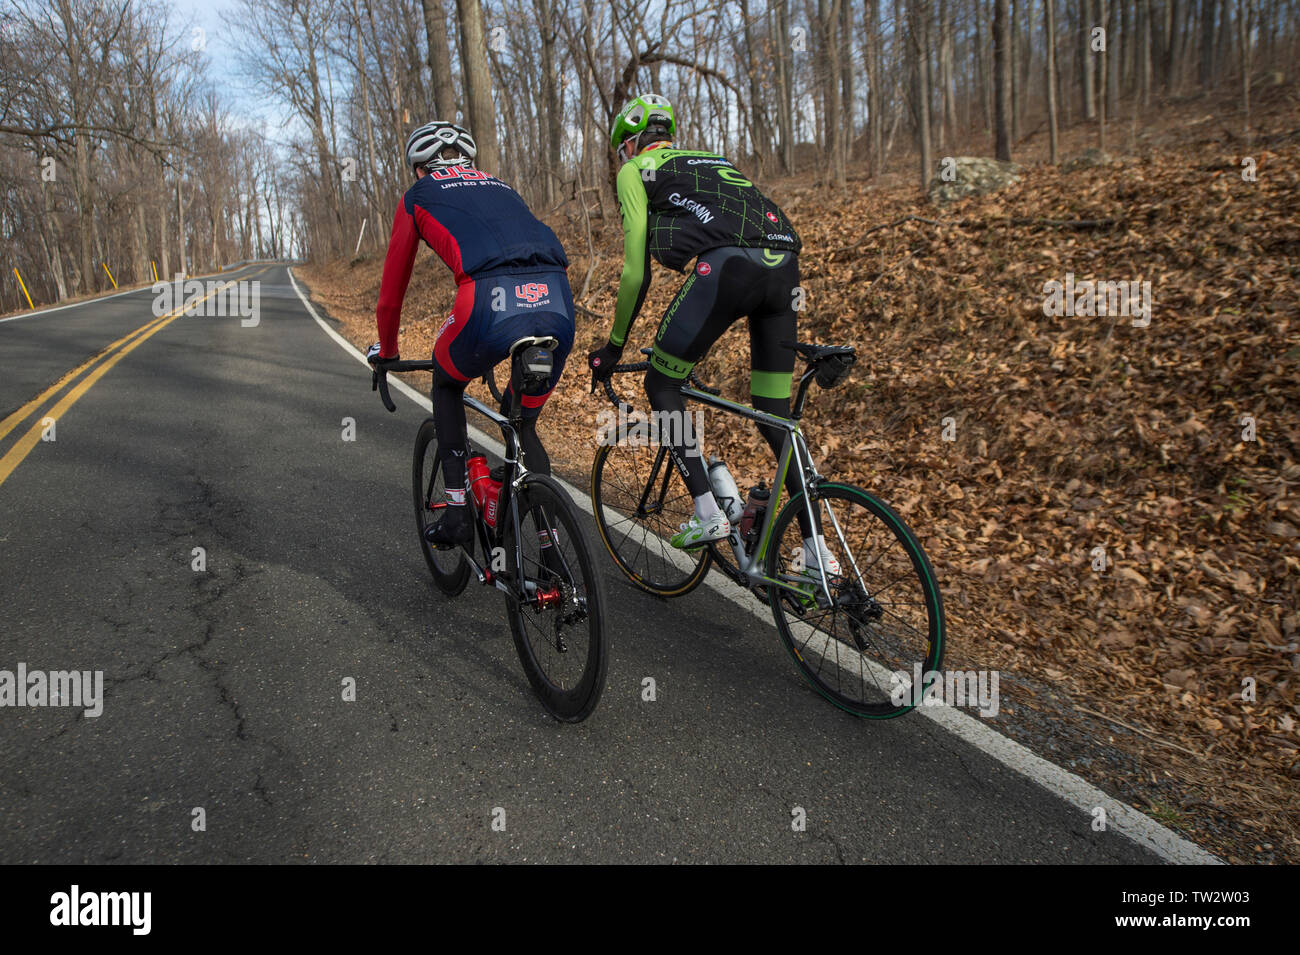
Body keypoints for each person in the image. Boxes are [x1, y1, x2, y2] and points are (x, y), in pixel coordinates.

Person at [588, 94, 837, 574]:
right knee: (774, 413)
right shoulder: (715, 162)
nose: (622, 157)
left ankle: (706, 513)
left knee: (661, 384)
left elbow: (635, 270)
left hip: (726, 270)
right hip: (784, 269)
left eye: (622, 148)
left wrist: (614, 346)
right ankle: (817, 554)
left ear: (632, 142)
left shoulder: (636, 170)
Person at [368, 121, 574, 549]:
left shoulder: (416, 197)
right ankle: (551, 550)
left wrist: (387, 351)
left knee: (446, 382)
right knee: (523, 425)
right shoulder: (502, 186)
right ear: (468, 161)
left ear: (419, 168)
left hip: (487, 301)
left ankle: (458, 512)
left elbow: (390, 299)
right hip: (556, 300)